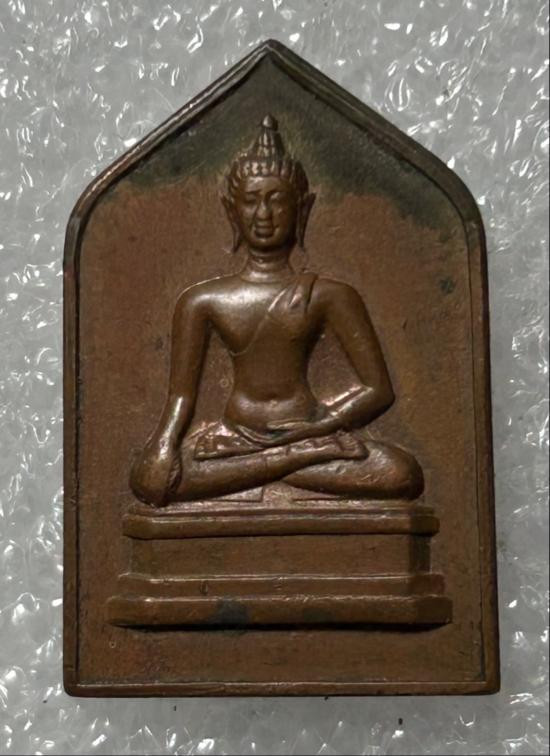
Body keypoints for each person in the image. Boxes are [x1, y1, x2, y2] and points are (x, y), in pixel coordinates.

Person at [130, 115, 423, 506]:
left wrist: (320, 425)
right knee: (148, 480)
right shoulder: (202, 301)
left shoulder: (330, 295)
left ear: (302, 209)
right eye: (251, 201)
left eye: (277, 200)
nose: (263, 214)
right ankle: (295, 461)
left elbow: (377, 389)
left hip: (308, 430)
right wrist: (165, 445)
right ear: (231, 210)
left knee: (402, 472)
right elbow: (181, 398)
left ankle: (278, 462)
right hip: (235, 437)